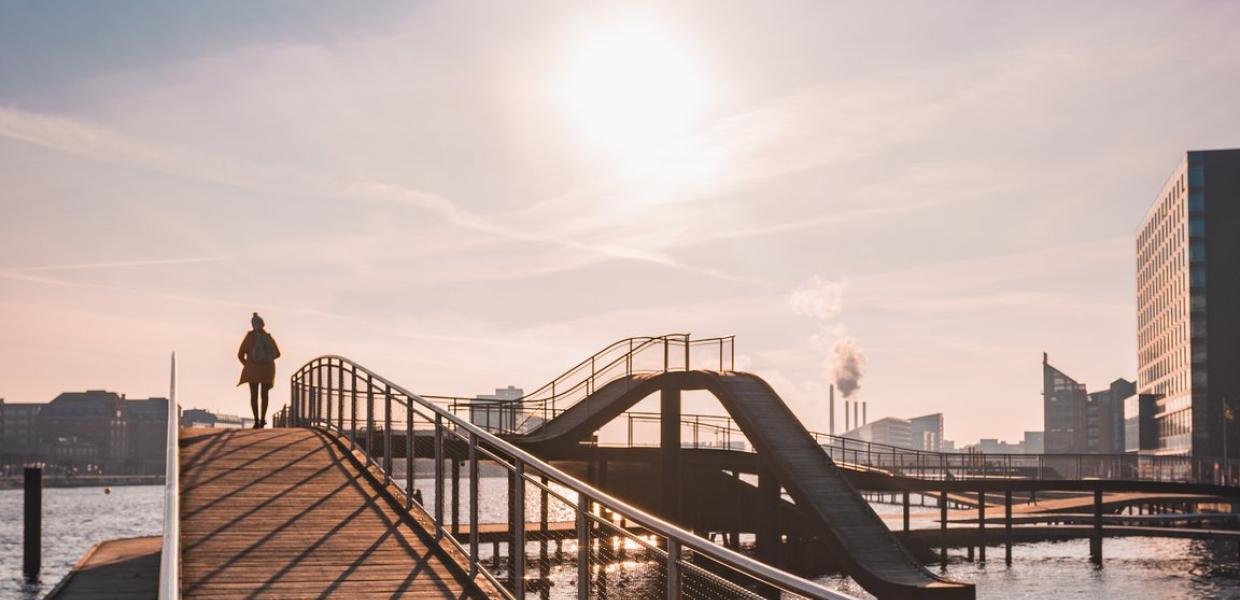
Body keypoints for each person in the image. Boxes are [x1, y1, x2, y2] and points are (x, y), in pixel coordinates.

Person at [238, 312, 281, 428]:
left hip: (252, 370)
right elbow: (277, 354)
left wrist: (248, 365)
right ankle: (263, 419)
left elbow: (240, 354)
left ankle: (256, 420)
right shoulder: (268, 337)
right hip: (267, 370)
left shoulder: (249, 337)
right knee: (264, 395)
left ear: (253, 325)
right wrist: (266, 359)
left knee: (254, 395)